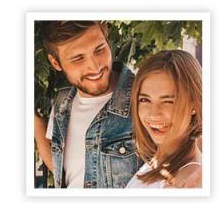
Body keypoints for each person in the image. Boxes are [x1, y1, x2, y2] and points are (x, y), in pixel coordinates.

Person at [33, 21, 140, 189]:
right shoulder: (62, 101)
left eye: (99, 49)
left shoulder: (143, 98)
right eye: (78, 58)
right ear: (55, 63)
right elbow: (63, 168)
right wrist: (36, 123)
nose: (95, 66)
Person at [126, 50, 203, 189]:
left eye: (168, 101)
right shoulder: (158, 162)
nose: (154, 114)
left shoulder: (187, 182)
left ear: (194, 105)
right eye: (144, 100)